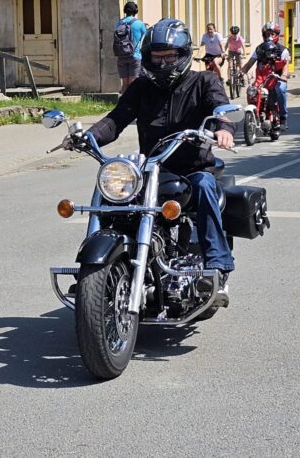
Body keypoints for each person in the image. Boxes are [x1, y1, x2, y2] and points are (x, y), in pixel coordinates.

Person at [81, 18, 236, 296]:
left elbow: (220, 107)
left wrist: (224, 128)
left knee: (204, 186)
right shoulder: (141, 87)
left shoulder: (204, 81)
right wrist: (88, 136)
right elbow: (116, 119)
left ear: (183, 54)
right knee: (113, 193)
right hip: (152, 170)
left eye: (169, 56)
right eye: (157, 56)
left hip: (192, 169)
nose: (162, 62)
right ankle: (96, 270)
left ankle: (217, 266)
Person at [242, 22, 290, 129]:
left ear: (277, 34)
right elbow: (249, 64)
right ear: (263, 35)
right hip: (261, 79)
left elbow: (285, 67)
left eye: (272, 34)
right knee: (251, 91)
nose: (270, 36)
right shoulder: (259, 48)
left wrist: (284, 76)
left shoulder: (283, 50)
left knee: (280, 89)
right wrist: (241, 73)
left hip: (277, 79)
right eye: (267, 34)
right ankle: (256, 112)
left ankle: (283, 117)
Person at [113, 1, 147, 93]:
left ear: (125, 11)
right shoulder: (139, 24)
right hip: (135, 55)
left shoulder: (119, 23)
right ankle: (133, 102)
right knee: (133, 84)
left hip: (121, 55)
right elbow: (145, 38)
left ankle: (123, 101)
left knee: (124, 84)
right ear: (136, 11)